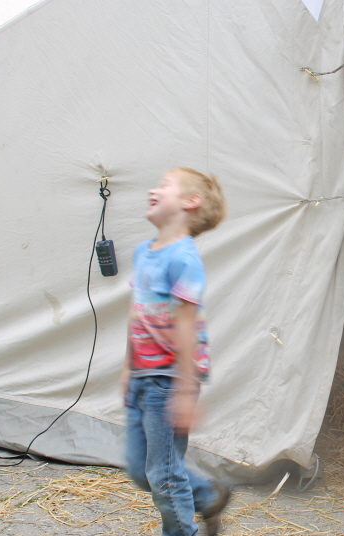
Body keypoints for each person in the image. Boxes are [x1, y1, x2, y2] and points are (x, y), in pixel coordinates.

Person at [121, 167, 230, 536]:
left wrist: (186, 391)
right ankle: (207, 495)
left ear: (190, 202)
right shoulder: (143, 252)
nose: (153, 189)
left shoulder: (183, 259)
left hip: (170, 379)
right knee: (141, 470)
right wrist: (126, 369)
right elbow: (138, 315)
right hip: (141, 375)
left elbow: (185, 327)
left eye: (164, 185)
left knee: (163, 474)